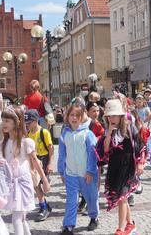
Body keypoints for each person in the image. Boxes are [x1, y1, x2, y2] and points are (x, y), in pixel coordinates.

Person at [96, 99, 145, 235]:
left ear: (120, 115)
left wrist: (140, 163)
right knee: (121, 197)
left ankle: (121, 229)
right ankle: (130, 224)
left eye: (114, 115)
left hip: (127, 166)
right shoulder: (107, 130)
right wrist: (109, 133)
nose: (111, 118)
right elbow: (105, 150)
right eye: (109, 116)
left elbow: (140, 145)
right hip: (115, 167)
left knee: (122, 197)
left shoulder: (130, 127)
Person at [0, 106, 50, 235]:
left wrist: (44, 180)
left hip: (23, 182)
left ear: (16, 123)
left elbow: (35, 162)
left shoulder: (26, 142)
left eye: (7, 121)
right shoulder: (3, 143)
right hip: (11, 184)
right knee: (20, 217)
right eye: (3, 120)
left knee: (17, 217)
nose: (3, 123)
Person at [58, 101, 99, 235]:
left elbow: (93, 154)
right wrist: (61, 171)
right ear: (67, 117)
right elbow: (62, 154)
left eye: (77, 115)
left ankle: (94, 217)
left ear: (82, 117)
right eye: (72, 115)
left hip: (87, 174)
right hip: (71, 174)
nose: (74, 118)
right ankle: (68, 225)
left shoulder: (88, 134)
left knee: (91, 198)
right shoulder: (64, 134)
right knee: (71, 200)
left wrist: (90, 171)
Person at [25, 109, 54, 222]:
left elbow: (51, 149)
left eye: (29, 122)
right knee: (36, 185)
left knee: (43, 185)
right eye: (26, 123)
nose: (27, 125)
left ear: (36, 120)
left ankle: (45, 205)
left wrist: (51, 163)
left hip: (44, 159)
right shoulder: (28, 134)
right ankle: (44, 207)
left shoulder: (44, 132)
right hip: (34, 160)